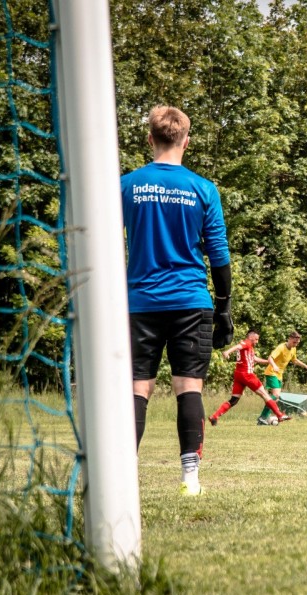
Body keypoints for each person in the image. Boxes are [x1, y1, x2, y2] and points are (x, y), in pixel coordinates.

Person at [122, 105, 233, 497]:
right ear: (186, 141)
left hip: (139, 304)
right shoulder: (203, 189)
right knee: (190, 389)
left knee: (137, 390)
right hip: (191, 301)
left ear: (150, 139)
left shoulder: (127, 185)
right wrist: (224, 306)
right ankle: (190, 480)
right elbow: (218, 254)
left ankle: (124, 478)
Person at [209, 329, 292, 427]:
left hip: (239, 375)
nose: (257, 342)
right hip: (247, 375)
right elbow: (238, 346)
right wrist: (227, 352)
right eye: (256, 339)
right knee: (265, 395)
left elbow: (254, 359)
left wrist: (268, 362)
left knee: (234, 400)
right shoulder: (247, 342)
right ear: (251, 337)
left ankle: (214, 416)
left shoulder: (249, 347)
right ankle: (279, 415)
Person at [256, 331, 307, 425]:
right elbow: (270, 358)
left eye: (297, 343)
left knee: (276, 399)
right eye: (294, 342)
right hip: (271, 373)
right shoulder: (281, 347)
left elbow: (294, 360)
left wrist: (306, 366)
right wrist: (274, 366)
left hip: (279, 375)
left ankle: (264, 417)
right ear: (289, 339)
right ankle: (264, 417)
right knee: (276, 395)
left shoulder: (293, 349)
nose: (296, 344)